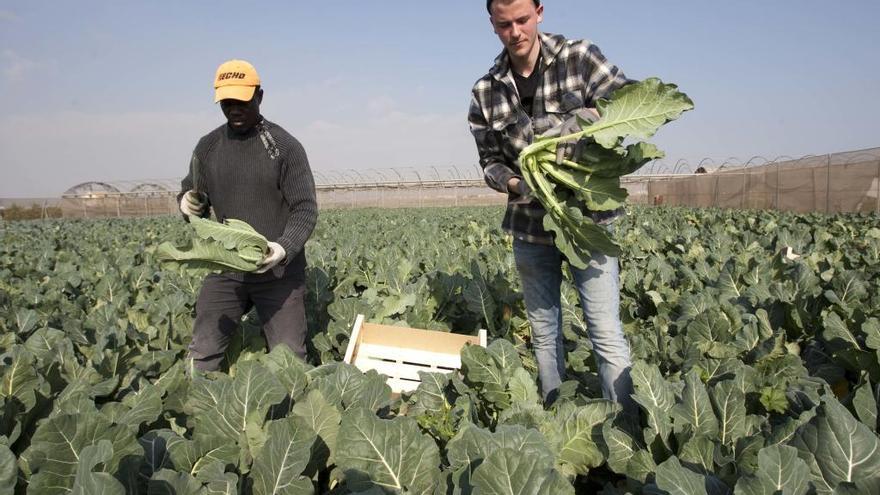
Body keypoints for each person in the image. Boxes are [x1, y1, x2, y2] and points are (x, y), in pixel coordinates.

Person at [468, 0, 636, 413]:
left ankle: (628, 428)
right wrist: (513, 180)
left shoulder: (578, 58)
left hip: (587, 222)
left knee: (604, 331)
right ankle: (557, 419)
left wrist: (583, 120)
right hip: (529, 226)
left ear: (540, 12)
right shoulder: (486, 91)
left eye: (523, 20)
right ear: (492, 24)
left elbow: (629, 99)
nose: (516, 32)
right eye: (504, 24)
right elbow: (489, 160)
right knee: (544, 332)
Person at [178, 59, 318, 371]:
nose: (234, 109)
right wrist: (187, 204)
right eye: (227, 103)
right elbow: (192, 190)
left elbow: (305, 208)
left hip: (279, 273)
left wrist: (281, 250)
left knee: (289, 360)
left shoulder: (283, 147)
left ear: (259, 96)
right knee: (203, 351)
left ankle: (290, 417)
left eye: (242, 101)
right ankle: (201, 412)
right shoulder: (207, 148)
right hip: (227, 268)